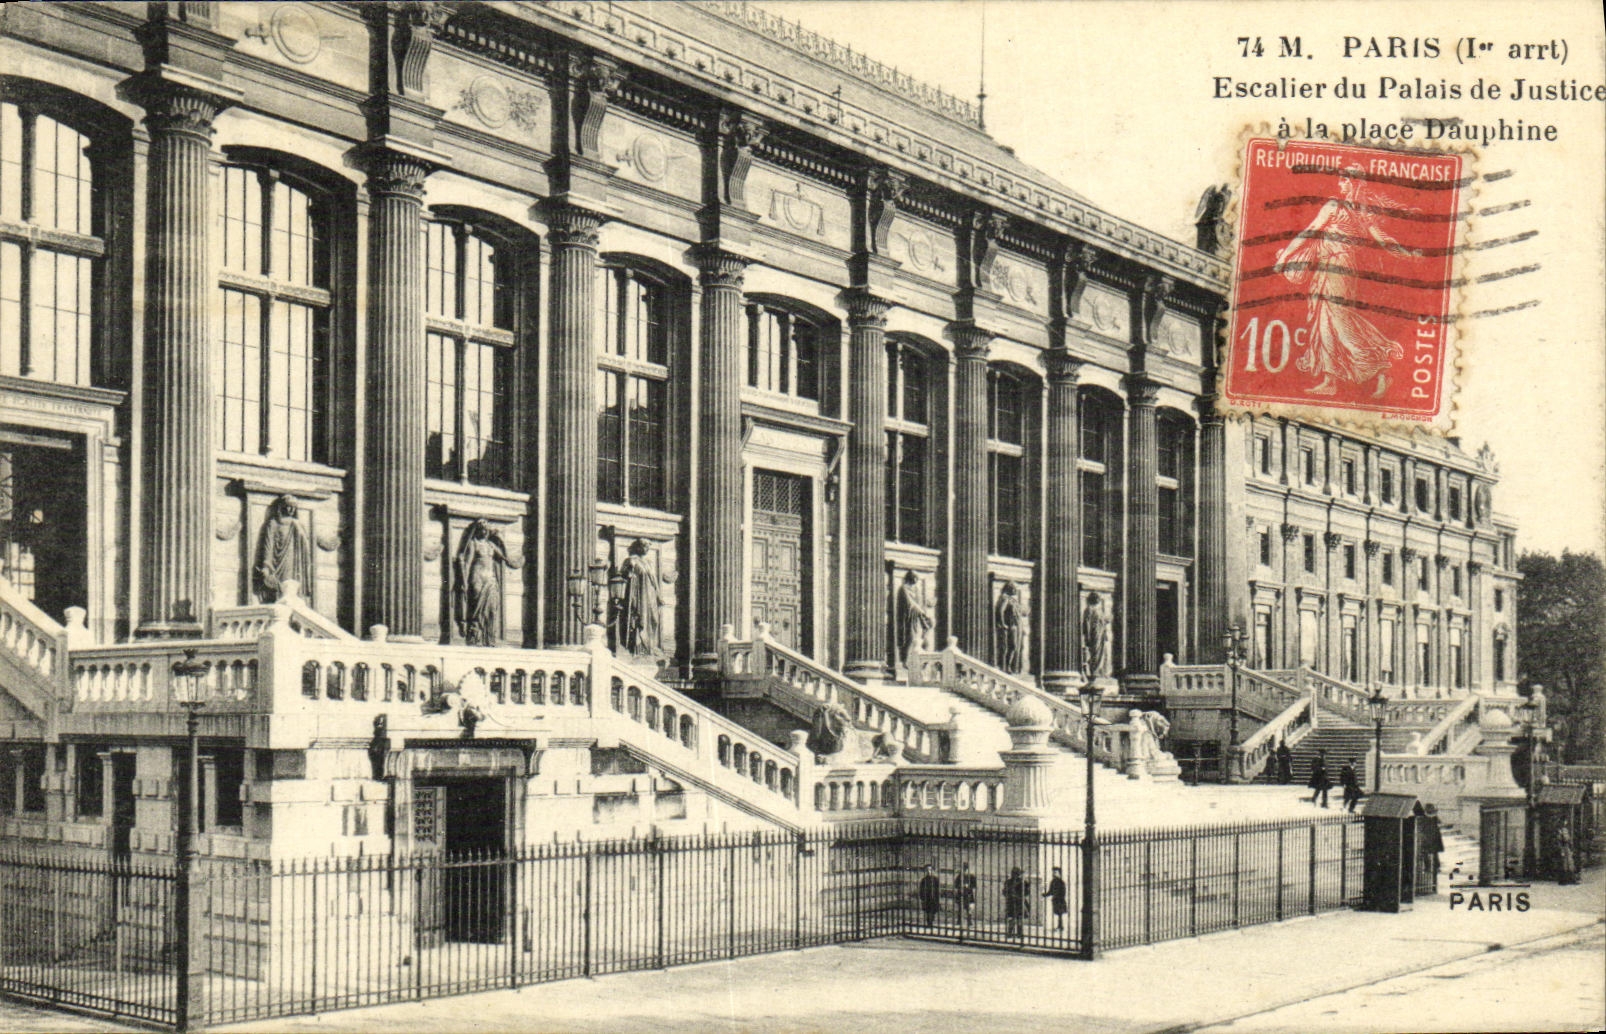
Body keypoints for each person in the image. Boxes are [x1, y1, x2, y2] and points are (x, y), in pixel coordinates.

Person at [1273, 163, 1416, 399]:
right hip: (1331, 266)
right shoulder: (1361, 212)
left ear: (1353, 182)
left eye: (1344, 180)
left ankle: (1379, 368)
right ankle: (1331, 380)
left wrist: (1286, 256)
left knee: (1338, 320)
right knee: (1324, 318)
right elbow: (1382, 239)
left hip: (1338, 267)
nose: (1340, 184)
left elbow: (1311, 231)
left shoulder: (1338, 207)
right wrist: (1404, 253)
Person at [453, 519, 518, 646]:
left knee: (492, 609)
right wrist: (465, 582)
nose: (484, 531)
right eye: (482, 529)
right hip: (477, 578)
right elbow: (467, 563)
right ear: (477, 530)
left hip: (490, 580)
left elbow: (505, 557)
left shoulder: (491, 545)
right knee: (477, 608)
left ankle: (489, 638)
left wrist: (501, 540)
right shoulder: (473, 544)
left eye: (486, 529)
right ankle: (475, 637)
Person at [254, 494, 309, 603]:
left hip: (291, 559)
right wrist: (266, 565)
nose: (291, 509)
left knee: (289, 583)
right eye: (288, 506)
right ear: (281, 507)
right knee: (275, 586)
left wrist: (299, 528)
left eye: (294, 507)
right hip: (275, 562)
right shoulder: (273, 523)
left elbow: (304, 543)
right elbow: (268, 545)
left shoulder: (296, 523)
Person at [618, 538, 661, 657]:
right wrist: (629, 571)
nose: (646, 549)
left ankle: (651, 646)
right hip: (639, 595)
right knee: (640, 618)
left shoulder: (649, 562)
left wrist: (659, 595)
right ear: (638, 547)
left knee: (654, 619)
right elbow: (622, 576)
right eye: (644, 546)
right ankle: (639, 647)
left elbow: (654, 580)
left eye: (648, 547)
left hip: (650, 594)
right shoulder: (631, 560)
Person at [895, 571, 934, 675]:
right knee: (911, 639)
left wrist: (926, 610)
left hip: (919, 619)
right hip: (908, 619)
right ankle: (906, 662)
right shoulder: (903, 589)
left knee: (925, 641)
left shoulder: (917, 589)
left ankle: (922, 665)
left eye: (916, 579)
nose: (916, 581)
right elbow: (910, 603)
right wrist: (920, 610)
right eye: (914, 579)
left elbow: (921, 602)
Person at [994, 580, 1026, 675]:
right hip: (1012, 626)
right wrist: (1003, 623)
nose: (1015, 590)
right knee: (1012, 646)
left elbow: (1021, 612)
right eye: (1014, 588)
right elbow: (1000, 611)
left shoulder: (1013, 600)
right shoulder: (1005, 598)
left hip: (1017, 625)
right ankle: (1006, 666)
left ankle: (1012, 666)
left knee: (1017, 647)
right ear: (1009, 588)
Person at [1081, 592, 1110, 677]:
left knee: (1101, 652)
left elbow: (1102, 621)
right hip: (1094, 633)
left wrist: (1106, 621)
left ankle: (1100, 671)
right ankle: (1095, 671)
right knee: (1095, 652)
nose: (1099, 600)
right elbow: (1086, 624)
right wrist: (1087, 636)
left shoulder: (1099, 610)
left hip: (1100, 633)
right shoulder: (1089, 609)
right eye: (1097, 599)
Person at [1419, 803, 1445, 893]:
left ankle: (1433, 867)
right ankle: (1430, 867)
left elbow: (1439, 823)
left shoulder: (1430, 818)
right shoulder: (1425, 819)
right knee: (1430, 854)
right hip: (1430, 840)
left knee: (1433, 855)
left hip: (1432, 840)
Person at [1003, 867, 1029, 939]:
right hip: (1018, 901)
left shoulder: (1009, 882)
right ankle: (1018, 933)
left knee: (1013, 918)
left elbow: (1004, 892)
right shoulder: (1022, 882)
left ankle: (1011, 933)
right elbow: (1026, 892)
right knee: (1018, 918)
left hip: (1012, 901)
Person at [1042, 866, 1068, 932]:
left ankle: (1060, 927)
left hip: (1060, 900)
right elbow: (1050, 891)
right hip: (1055, 900)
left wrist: (1057, 896)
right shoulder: (1053, 881)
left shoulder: (1061, 882)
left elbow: (1063, 892)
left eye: (1056, 872)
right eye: (1053, 872)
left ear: (1059, 873)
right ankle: (1059, 926)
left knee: (1060, 914)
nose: (1054, 873)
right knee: (1058, 914)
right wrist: (1044, 895)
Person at [954, 862, 978, 927]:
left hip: (969, 894)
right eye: (964, 868)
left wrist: (968, 886)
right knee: (960, 907)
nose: (965, 870)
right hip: (961, 894)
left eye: (966, 869)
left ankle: (969, 920)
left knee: (969, 908)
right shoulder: (959, 876)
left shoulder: (972, 876)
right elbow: (956, 885)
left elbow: (974, 886)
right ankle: (959, 920)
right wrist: (960, 888)